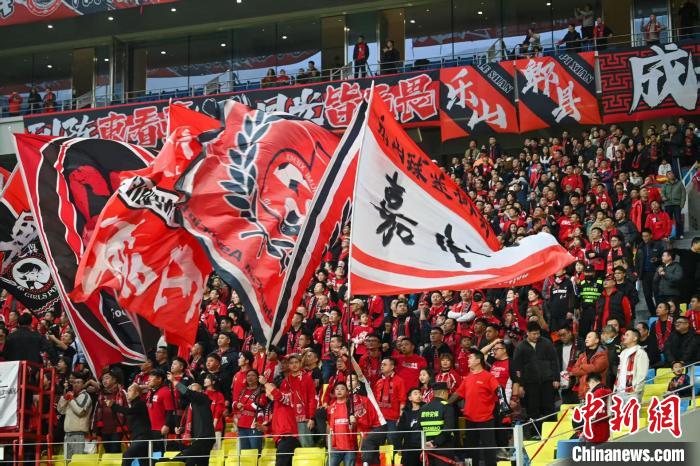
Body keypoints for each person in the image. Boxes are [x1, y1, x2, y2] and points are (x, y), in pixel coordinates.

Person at [449, 350, 499, 466]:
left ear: (478, 360)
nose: (468, 360)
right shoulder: (468, 378)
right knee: (470, 449)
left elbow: (499, 390)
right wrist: (445, 404)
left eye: (470, 358)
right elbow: (457, 393)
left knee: (489, 448)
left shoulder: (488, 376)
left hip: (486, 418)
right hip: (470, 419)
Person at [511, 322, 559, 437]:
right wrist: (520, 385)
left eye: (538, 333)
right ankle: (536, 434)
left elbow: (554, 361)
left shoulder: (547, 343)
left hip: (547, 381)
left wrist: (556, 378)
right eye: (534, 334)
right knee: (533, 410)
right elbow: (517, 368)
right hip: (530, 384)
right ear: (527, 333)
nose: (536, 336)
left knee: (549, 408)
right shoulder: (520, 347)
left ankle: (552, 434)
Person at [168, 372, 215, 466]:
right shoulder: (190, 406)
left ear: (200, 391)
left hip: (204, 438)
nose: (190, 392)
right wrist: (182, 429)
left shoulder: (203, 398)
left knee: (186, 459)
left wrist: (174, 381)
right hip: (197, 439)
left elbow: (188, 393)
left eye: (192, 390)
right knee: (199, 463)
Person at [108, 384, 152, 466]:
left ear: (137, 393)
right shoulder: (134, 405)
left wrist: (114, 406)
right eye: (127, 391)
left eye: (130, 391)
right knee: (144, 462)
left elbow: (129, 411)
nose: (127, 393)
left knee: (127, 456)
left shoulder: (140, 403)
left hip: (142, 437)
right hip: (137, 437)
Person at [57, 372, 92, 461]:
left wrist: (71, 399)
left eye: (78, 382)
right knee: (67, 462)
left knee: (77, 461)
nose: (75, 385)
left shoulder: (86, 396)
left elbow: (80, 411)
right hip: (67, 434)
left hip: (79, 434)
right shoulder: (71, 396)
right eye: (74, 383)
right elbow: (61, 411)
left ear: (83, 385)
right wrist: (64, 397)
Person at [419, 382, 455, 466]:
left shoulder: (424, 407)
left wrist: (426, 442)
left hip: (427, 447)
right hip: (444, 447)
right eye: (447, 392)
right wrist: (435, 442)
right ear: (443, 392)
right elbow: (448, 428)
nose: (448, 395)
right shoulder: (447, 406)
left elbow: (419, 428)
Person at [373, 357, 407, 448]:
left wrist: (400, 417)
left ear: (392, 367)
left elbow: (402, 400)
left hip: (393, 419)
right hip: (380, 419)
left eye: (384, 365)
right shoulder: (378, 382)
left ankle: (394, 458)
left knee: (392, 443)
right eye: (381, 365)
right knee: (378, 443)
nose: (382, 366)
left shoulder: (399, 381)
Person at [93, 370, 128, 453]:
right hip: (104, 429)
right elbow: (96, 413)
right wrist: (95, 429)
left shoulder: (122, 393)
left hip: (117, 428)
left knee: (115, 451)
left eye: (107, 378)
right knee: (108, 452)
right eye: (103, 379)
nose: (104, 381)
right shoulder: (101, 394)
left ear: (114, 380)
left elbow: (127, 410)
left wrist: (127, 428)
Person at [568, 331, 609, 401]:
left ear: (597, 340)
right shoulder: (582, 355)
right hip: (582, 391)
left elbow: (595, 369)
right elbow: (574, 371)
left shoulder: (602, 354)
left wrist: (582, 365)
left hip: (597, 392)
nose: (586, 339)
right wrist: (588, 368)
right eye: (586, 337)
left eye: (589, 337)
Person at [573, 372, 611, 443]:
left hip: (595, 432)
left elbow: (592, 416)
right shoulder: (607, 391)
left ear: (592, 381)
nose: (589, 387)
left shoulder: (595, 394)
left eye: (589, 384)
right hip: (605, 429)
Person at [613, 329, 649, 402]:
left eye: (627, 335)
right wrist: (615, 389)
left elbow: (642, 375)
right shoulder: (623, 352)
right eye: (624, 335)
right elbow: (619, 373)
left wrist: (636, 390)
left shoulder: (640, 353)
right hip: (619, 391)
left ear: (635, 338)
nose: (624, 337)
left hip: (632, 393)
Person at [146, 369, 175, 454]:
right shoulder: (151, 392)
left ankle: (159, 461)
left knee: (160, 452)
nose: (149, 379)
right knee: (152, 452)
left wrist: (166, 425)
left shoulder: (165, 391)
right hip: (151, 428)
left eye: (152, 377)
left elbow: (170, 410)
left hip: (161, 429)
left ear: (159, 379)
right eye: (149, 377)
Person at [327, 382, 357, 466]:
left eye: (342, 389)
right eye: (337, 389)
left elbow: (356, 426)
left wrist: (354, 422)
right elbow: (329, 426)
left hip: (350, 447)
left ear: (347, 392)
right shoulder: (330, 408)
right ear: (334, 392)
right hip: (335, 448)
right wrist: (328, 444)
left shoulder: (352, 406)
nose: (339, 391)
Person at [635, 229, 664, 311]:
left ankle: (660, 311)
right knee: (647, 295)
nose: (645, 238)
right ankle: (653, 313)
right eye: (643, 236)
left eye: (647, 236)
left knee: (657, 294)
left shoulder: (658, 245)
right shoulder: (640, 246)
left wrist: (657, 260)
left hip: (655, 273)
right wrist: (637, 272)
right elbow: (637, 260)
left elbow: (664, 258)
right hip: (644, 274)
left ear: (651, 235)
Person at [396, 388, 424, 466]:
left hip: (422, 446)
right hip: (409, 447)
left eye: (420, 393)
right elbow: (400, 430)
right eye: (415, 394)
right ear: (410, 398)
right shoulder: (406, 412)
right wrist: (399, 446)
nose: (418, 396)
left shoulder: (426, 409)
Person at [661, 171, 686, 239]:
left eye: (672, 173)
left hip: (677, 204)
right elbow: (662, 192)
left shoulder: (679, 183)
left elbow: (683, 194)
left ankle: (680, 234)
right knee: (668, 220)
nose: (671, 175)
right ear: (667, 177)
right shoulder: (665, 184)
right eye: (669, 174)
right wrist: (663, 197)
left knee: (678, 220)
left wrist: (682, 204)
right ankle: (668, 234)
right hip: (668, 204)